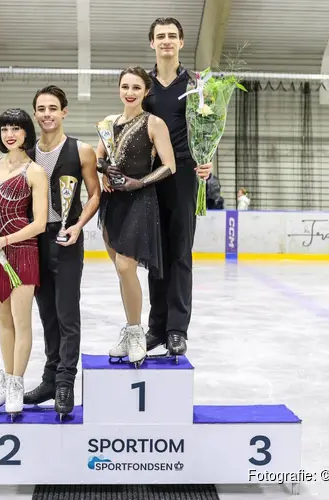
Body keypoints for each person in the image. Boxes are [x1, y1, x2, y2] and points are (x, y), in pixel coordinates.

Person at [22, 85, 101, 416]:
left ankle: (66, 381)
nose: (46, 114)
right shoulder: (26, 153)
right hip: (34, 241)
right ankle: (50, 378)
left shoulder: (81, 151)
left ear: (64, 112)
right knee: (47, 315)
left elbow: (96, 194)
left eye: (53, 108)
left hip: (67, 238)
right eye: (41, 109)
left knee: (67, 313)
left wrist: (78, 226)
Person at [141, 17, 212, 357]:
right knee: (156, 255)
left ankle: (176, 330)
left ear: (181, 42)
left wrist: (209, 159)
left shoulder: (197, 83)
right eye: (160, 36)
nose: (166, 41)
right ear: (151, 43)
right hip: (150, 176)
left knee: (181, 253)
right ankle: (156, 328)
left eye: (172, 36)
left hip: (183, 173)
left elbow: (208, 127)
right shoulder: (142, 83)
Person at [97, 65, 176, 367]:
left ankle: (136, 333)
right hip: (112, 202)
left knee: (125, 264)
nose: (130, 93)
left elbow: (169, 165)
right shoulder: (109, 122)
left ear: (146, 91)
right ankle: (131, 327)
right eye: (125, 87)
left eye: (136, 88)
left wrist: (139, 182)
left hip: (140, 199)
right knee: (121, 270)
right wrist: (104, 170)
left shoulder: (154, 123)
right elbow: (99, 156)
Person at [0, 108, 49, 416]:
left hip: (22, 252)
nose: (10, 134)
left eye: (16, 128)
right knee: (3, 324)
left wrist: (3, 241)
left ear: (26, 133)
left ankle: (17, 384)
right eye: (4, 129)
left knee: (21, 323)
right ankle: (5, 382)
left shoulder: (35, 172)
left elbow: (40, 223)